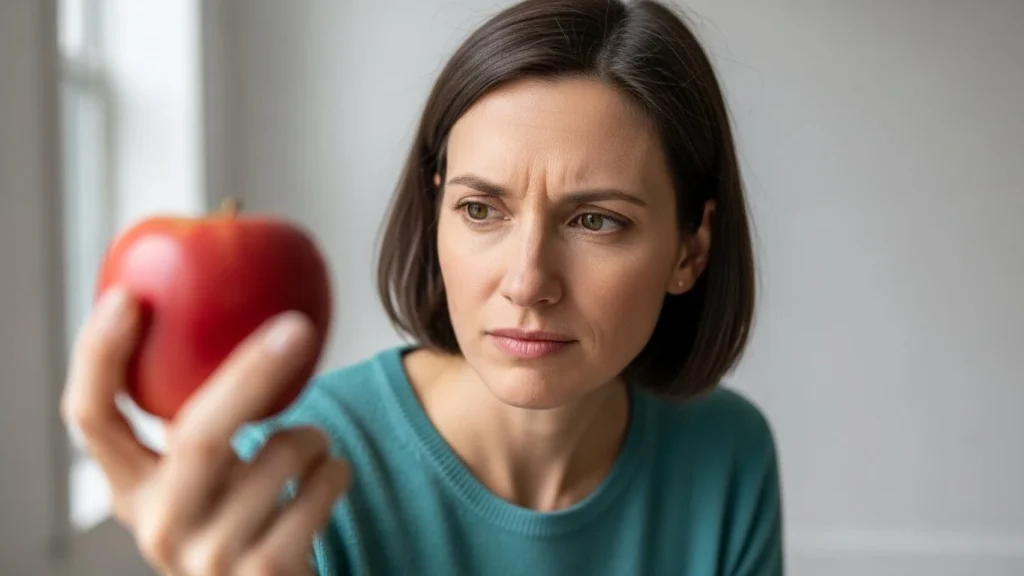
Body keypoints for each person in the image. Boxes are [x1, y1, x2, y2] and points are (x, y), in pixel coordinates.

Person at [61, 0, 783, 574]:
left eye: (596, 220)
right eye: (480, 209)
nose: (528, 281)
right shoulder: (287, 474)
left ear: (691, 249)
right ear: (435, 210)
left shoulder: (727, 454)